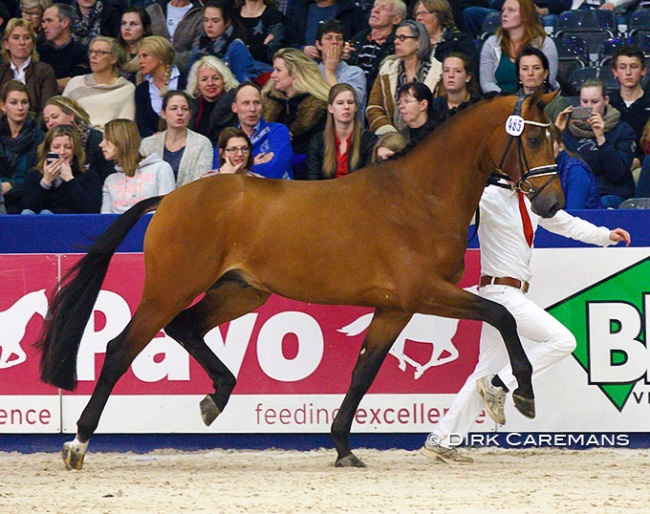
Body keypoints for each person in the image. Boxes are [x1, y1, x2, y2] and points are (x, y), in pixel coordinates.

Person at [421, 173, 631, 464]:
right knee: (562, 340)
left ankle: (441, 439)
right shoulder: (487, 198)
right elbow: (454, 212)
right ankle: (501, 384)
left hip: (509, 293)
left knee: (484, 370)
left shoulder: (533, 200)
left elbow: (565, 223)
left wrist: (604, 235)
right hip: (499, 293)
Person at [559, 79, 637, 209]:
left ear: (606, 100)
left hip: (610, 192)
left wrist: (601, 138)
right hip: (576, 190)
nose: (589, 107)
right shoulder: (569, 131)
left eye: (594, 102)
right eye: (584, 101)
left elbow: (617, 174)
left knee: (603, 203)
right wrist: (557, 132)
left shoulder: (622, 131)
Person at [261, 48, 330, 180]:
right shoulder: (267, 103)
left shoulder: (320, 107)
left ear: (295, 73)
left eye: (278, 70)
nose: (272, 75)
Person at [366, 20, 442, 135]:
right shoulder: (387, 70)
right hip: (391, 138)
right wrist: (388, 132)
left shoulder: (438, 72)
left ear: (419, 42)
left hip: (428, 137)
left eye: (402, 38)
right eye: (396, 38)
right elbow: (374, 107)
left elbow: (441, 109)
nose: (396, 42)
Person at [479, 0, 558, 94]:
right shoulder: (491, 43)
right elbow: (486, 83)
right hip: (500, 102)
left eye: (511, 10)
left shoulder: (545, 43)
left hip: (536, 101)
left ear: (525, 15)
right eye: (503, 10)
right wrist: (507, 100)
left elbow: (549, 81)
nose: (504, 14)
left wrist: (523, 102)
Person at [22, 124, 102, 214]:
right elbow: (28, 208)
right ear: (48, 149)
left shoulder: (88, 175)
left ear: (75, 150)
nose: (62, 152)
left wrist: (70, 180)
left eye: (68, 147)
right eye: (56, 147)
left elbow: (92, 209)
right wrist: (46, 182)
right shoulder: (35, 174)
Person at [100, 118, 175, 214]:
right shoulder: (110, 180)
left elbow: (166, 210)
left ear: (121, 140)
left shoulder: (160, 169)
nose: (101, 144)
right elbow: (105, 220)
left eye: (107, 139)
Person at [140, 90, 213, 186]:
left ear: (190, 114)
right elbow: (142, 181)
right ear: (163, 113)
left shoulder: (202, 143)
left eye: (184, 109)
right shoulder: (147, 144)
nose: (180, 113)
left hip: (188, 199)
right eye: (174, 108)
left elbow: (200, 183)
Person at [63, 36, 136, 131]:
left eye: (100, 53)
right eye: (91, 52)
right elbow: (62, 113)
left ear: (113, 58)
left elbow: (126, 126)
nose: (93, 56)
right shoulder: (76, 82)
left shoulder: (126, 89)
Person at [307, 83, 377, 179]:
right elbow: (312, 181)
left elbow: (369, 180)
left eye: (350, 102)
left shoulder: (369, 140)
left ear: (356, 107)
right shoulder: (318, 141)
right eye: (340, 103)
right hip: (325, 192)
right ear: (330, 108)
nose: (346, 107)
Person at [43, 95, 114, 183]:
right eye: (46, 120)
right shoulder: (46, 143)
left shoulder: (96, 140)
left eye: (55, 117)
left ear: (71, 115)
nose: (50, 123)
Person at [230, 81, 293, 179]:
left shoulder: (278, 131)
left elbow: (274, 171)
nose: (252, 109)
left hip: (276, 192)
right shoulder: (228, 137)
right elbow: (219, 176)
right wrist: (252, 164)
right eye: (246, 103)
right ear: (235, 107)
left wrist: (237, 170)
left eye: (256, 103)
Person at [0, 80, 45, 214]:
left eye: (24, 102)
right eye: (14, 102)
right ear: (3, 106)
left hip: (26, 201)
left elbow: (41, 179)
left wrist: (12, 187)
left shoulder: (40, 138)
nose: (20, 107)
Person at [0, 17, 58, 119]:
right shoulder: (1, 72)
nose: (22, 43)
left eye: (27, 38)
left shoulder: (45, 71)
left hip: (35, 130)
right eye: (16, 37)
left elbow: (47, 111)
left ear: (33, 43)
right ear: (6, 44)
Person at [347, 0, 406, 94]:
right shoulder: (357, 39)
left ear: (396, 19)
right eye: (375, 6)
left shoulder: (398, 45)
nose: (375, 10)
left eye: (383, 8)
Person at [191, 0, 257, 83]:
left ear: (227, 22)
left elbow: (244, 83)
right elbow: (191, 83)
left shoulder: (237, 48)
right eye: (206, 20)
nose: (209, 25)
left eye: (215, 21)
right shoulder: (198, 49)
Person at [608, 45, 650, 174]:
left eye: (633, 67)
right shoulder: (607, 103)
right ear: (615, 71)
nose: (628, 73)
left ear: (643, 70)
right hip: (612, 165)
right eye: (622, 67)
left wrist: (640, 161)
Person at [135, 35, 186, 138]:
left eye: (145, 56)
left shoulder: (185, 80)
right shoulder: (142, 89)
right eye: (139, 56)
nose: (140, 61)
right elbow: (143, 126)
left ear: (161, 57)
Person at [413, 0, 478, 78]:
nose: (418, 18)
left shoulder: (460, 40)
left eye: (424, 13)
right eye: (417, 14)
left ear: (439, 16)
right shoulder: (413, 42)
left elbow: (470, 71)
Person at [186, 54, 239, 146]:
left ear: (224, 80)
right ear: (197, 84)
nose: (210, 83)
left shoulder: (234, 104)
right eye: (204, 79)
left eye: (215, 78)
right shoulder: (189, 105)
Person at [285, 0, 367, 58]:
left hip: (338, 69)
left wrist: (348, 50)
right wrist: (302, 49)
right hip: (302, 67)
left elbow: (361, 40)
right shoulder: (299, 9)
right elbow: (286, 41)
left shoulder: (351, 11)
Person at [38, 3, 90, 93]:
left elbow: (75, 83)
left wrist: (45, 84)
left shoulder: (83, 52)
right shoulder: (39, 52)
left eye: (49, 21)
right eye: (43, 21)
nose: (44, 26)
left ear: (65, 23)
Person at [315, 20, 366, 109]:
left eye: (339, 39)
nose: (334, 42)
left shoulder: (355, 73)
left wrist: (330, 72)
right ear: (319, 45)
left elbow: (350, 106)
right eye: (328, 38)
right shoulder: (312, 72)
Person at [549, 123, 601, 209]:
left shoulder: (576, 170)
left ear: (561, 146)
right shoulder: (535, 171)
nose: (545, 148)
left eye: (550, 142)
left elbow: (574, 213)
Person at [146, 0, 203, 76]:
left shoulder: (200, 14)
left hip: (184, 75)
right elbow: (143, 43)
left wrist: (166, 59)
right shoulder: (153, 10)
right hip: (151, 73)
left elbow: (196, 53)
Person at [516, 46, 567, 124]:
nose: (530, 73)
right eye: (525, 68)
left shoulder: (557, 103)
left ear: (545, 74)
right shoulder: (510, 102)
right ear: (519, 75)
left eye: (536, 68)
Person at [235, 0, 285, 67]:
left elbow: (270, 52)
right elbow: (226, 48)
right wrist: (259, 47)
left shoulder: (275, 16)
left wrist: (241, 48)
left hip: (263, 69)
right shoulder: (232, 15)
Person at [431, 53, 480, 119]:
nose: (450, 75)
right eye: (446, 70)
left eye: (457, 71)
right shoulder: (433, 106)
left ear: (468, 77)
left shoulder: (478, 105)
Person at [117, 5, 153, 85]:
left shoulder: (152, 55)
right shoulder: (113, 53)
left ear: (145, 29)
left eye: (133, 24)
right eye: (124, 23)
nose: (127, 28)